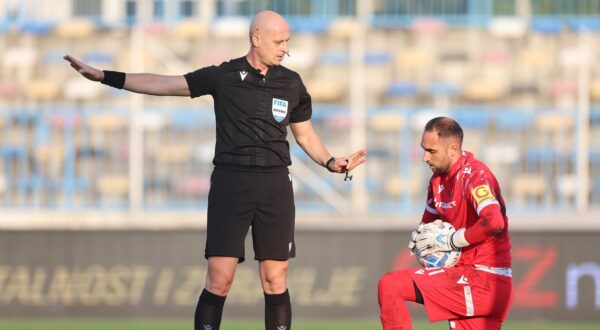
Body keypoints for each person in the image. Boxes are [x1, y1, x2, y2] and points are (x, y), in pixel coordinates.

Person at [64, 10, 366, 330]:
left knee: (275, 279)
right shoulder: (223, 76)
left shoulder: (292, 83)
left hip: (276, 184)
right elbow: (164, 84)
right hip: (231, 182)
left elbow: (304, 133)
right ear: (256, 39)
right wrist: (106, 76)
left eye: (287, 41)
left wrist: (331, 162)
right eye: (279, 41)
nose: (285, 48)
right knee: (220, 280)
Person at [377, 117, 512, 330]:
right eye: (423, 149)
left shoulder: (474, 175)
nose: (424, 157)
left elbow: (494, 221)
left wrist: (453, 239)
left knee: (391, 285)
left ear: (453, 148)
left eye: (431, 151)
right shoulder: (437, 181)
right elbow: (428, 225)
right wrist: (423, 242)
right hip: (473, 280)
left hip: (483, 279)